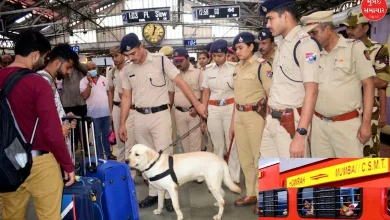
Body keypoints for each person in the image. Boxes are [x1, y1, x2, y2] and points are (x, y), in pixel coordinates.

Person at [118, 33, 207, 211]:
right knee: (144, 159)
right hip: (140, 117)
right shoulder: (127, 70)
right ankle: (153, 193)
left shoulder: (160, 61)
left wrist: (197, 104)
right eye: (127, 56)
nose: (131, 58)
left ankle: (168, 195)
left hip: (160, 116)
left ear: (141, 47)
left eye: (133, 53)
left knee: (164, 156)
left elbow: (180, 82)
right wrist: (122, 123)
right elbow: (127, 96)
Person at [0, 30, 74, 220]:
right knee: (49, 215)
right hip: (38, 161)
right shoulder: (37, 83)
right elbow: (52, 131)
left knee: (11, 215)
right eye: (43, 56)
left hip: (7, 161)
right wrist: (67, 164)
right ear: (35, 54)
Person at [301, 11, 374, 157]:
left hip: (347, 126)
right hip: (319, 125)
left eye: (314, 33)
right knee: (323, 173)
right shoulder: (312, 54)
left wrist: (366, 123)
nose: (311, 38)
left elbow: (369, 85)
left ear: (328, 29)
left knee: (351, 175)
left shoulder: (354, 48)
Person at [258, 0, 321, 158]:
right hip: (273, 120)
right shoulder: (282, 45)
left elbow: (312, 91)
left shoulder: (305, 45)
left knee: (293, 179)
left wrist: (301, 134)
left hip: (291, 124)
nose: (267, 24)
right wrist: (268, 118)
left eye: (270, 18)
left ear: (285, 16)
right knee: (271, 177)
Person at [230, 32, 272, 214]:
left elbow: (270, 95)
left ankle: (263, 196)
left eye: (240, 48)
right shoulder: (237, 67)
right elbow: (236, 97)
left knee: (258, 158)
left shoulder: (262, 66)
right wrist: (232, 122)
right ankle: (251, 193)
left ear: (251, 47)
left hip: (255, 116)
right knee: (245, 157)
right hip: (239, 115)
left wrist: (268, 121)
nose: (237, 52)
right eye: (236, 49)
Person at [342, 12, 390, 157]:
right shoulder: (342, 49)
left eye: (353, 27)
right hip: (346, 109)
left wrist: (382, 115)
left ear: (365, 28)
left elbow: (382, 81)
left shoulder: (378, 50)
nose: (349, 32)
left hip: (369, 111)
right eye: (348, 28)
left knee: (369, 152)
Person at [201, 40, 241, 187]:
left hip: (230, 107)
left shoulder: (235, 68)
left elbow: (238, 92)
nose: (217, 58)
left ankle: (234, 178)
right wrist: (203, 110)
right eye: (214, 56)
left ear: (226, 54)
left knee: (232, 144)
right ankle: (217, 178)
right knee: (217, 146)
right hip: (213, 109)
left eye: (220, 55)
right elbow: (206, 92)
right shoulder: (208, 70)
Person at [37, 43, 80, 144]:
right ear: (57, 62)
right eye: (68, 67)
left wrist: (65, 117)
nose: (68, 72)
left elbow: (50, 110)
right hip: (52, 146)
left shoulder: (49, 80)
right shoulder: (43, 81)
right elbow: (42, 117)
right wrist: (57, 132)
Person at [80, 61, 115, 160]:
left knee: (106, 135)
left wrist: (111, 109)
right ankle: (99, 156)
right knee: (97, 136)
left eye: (93, 68)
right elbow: (84, 96)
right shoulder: (83, 82)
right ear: (86, 71)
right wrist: (89, 84)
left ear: (97, 68)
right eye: (89, 69)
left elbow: (109, 94)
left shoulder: (104, 79)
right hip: (93, 114)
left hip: (106, 113)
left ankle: (108, 154)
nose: (92, 70)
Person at [172, 48, 203, 153]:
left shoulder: (198, 72)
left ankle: (196, 169)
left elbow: (204, 92)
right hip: (179, 113)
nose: (178, 63)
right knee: (185, 144)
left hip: (193, 113)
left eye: (180, 60)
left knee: (195, 145)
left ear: (188, 58)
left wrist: (197, 108)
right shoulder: (174, 74)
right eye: (176, 61)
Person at [106, 46, 130, 162]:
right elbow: (110, 91)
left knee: (131, 139)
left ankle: (133, 168)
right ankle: (121, 168)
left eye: (116, 55)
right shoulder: (111, 71)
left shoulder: (131, 69)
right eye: (112, 56)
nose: (114, 59)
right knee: (120, 142)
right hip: (116, 108)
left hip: (130, 108)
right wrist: (111, 110)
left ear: (123, 55)